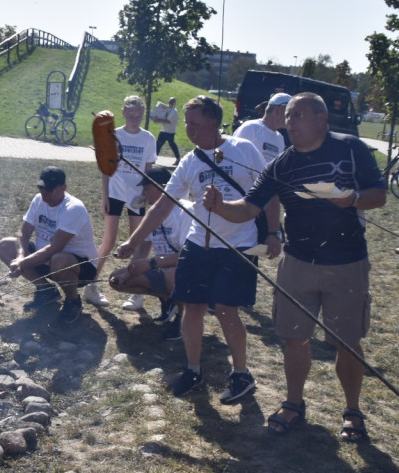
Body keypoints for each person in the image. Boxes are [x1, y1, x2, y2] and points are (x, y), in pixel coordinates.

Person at [203, 92, 386, 439]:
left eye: (298, 115)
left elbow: (379, 194)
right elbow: (248, 207)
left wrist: (354, 200)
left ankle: (352, 409)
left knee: (346, 341)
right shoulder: (281, 165)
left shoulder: (350, 148)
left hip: (347, 262)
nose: (290, 122)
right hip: (298, 261)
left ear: (321, 119)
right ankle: (293, 402)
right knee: (294, 338)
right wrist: (220, 205)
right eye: (287, 116)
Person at [117, 95, 270, 403]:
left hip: (236, 244)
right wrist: (133, 241)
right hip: (199, 244)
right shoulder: (190, 161)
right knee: (192, 306)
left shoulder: (244, 150)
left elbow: (268, 191)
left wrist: (276, 232)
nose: (189, 130)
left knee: (227, 310)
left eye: (195, 123)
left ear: (214, 121)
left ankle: (241, 373)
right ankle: (193, 369)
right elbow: (161, 206)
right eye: (186, 123)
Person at [0, 166, 99, 326]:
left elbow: (55, 247)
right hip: (45, 259)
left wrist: (22, 264)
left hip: (80, 267)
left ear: (63, 188)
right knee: (5, 246)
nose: (44, 194)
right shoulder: (38, 200)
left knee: (59, 260)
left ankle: (73, 301)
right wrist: (20, 256)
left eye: (49, 190)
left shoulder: (74, 208)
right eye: (41, 188)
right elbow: (23, 233)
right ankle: (46, 290)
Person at [107, 167, 189, 339]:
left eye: (146, 188)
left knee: (174, 276)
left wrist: (152, 264)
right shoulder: (153, 214)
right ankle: (168, 299)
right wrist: (130, 269)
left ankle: (182, 320)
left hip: (185, 269)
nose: (143, 193)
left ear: (162, 187)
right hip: (161, 267)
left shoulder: (185, 211)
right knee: (117, 280)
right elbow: (144, 248)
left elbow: (187, 256)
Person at [91, 95, 157, 310]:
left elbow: (148, 170)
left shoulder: (148, 139)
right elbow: (105, 168)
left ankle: (135, 293)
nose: (135, 119)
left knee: (136, 242)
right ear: (124, 113)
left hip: (137, 195)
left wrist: (147, 193)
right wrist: (104, 196)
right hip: (115, 193)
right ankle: (91, 285)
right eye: (131, 115)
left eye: (139, 116)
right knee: (109, 240)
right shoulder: (113, 135)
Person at [234, 91, 289, 260]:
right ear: (278, 110)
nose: (292, 118)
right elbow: (234, 158)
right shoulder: (251, 128)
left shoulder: (279, 138)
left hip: (265, 200)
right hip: (244, 197)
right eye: (290, 112)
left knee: (254, 245)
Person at [154, 97, 180, 163]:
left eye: (171, 102)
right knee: (158, 145)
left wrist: (158, 119)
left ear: (174, 103)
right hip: (163, 130)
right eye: (169, 102)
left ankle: (178, 158)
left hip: (170, 132)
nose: (170, 104)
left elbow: (168, 121)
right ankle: (153, 159)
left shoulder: (174, 111)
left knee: (172, 145)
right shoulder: (167, 110)